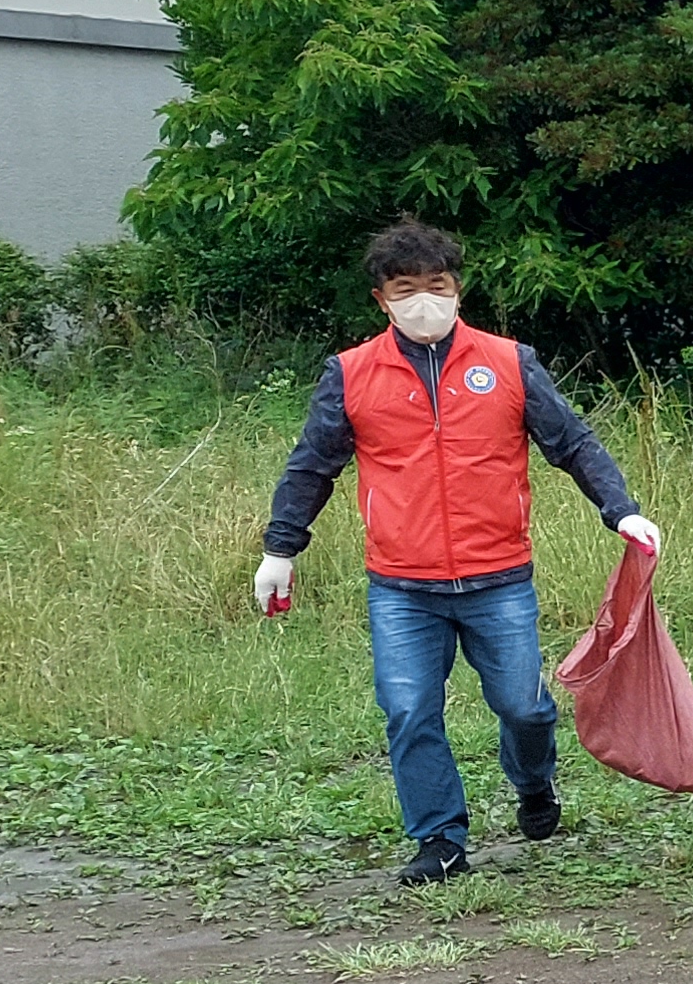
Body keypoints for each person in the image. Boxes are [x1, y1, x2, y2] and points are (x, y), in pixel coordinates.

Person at [253, 221, 661, 888]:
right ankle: (439, 839)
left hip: (498, 577)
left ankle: (535, 783)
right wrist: (281, 549)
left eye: (435, 286)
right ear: (381, 299)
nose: (423, 300)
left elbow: (574, 443)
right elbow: (310, 468)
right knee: (410, 709)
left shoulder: (508, 362)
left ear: (457, 289)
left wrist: (623, 511)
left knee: (525, 708)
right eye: (405, 289)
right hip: (401, 585)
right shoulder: (351, 374)